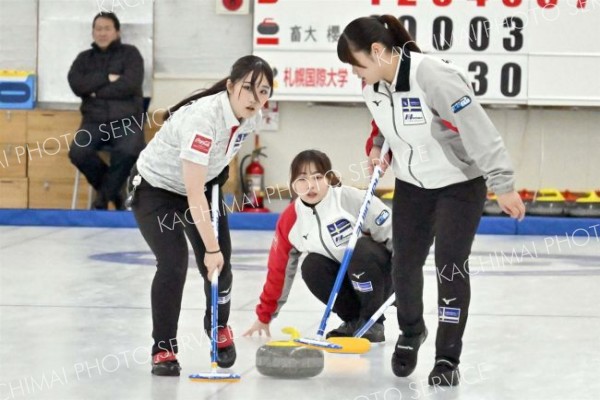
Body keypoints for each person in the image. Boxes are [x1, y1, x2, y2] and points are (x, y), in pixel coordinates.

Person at [337, 15, 526, 386]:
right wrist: (378, 150)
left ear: (377, 52)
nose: (355, 74)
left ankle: (446, 358)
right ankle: (411, 332)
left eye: (357, 65)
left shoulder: (434, 77)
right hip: (412, 187)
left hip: (459, 185)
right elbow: (383, 126)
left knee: (449, 265)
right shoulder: (374, 88)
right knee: (404, 265)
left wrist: (502, 183)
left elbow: (478, 129)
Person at [129, 55, 273, 376]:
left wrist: (218, 178)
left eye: (263, 91)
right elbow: (192, 193)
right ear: (231, 86)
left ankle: (218, 326)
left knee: (223, 263)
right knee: (174, 262)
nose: (255, 98)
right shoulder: (203, 120)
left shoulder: (250, 117)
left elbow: (215, 166)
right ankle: (163, 349)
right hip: (157, 190)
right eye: (248, 88)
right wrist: (209, 249)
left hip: (202, 185)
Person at [244, 149, 393, 343]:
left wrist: (406, 276)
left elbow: (393, 232)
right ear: (293, 184)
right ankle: (354, 320)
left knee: (360, 250)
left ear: (329, 179)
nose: (311, 186)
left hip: (383, 279)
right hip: (348, 283)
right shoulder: (291, 220)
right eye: (302, 179)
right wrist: (264, 317)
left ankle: (372, 322)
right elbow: (278, 270)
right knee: (312, 266)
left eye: (317, 177)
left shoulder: (349, 199)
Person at [68, 12, 145, 210]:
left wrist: (94, 91)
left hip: (126, 119)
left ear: (117, 32)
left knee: (129, 151)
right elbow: (77, 85)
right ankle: (115, 193)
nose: (102, 33)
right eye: (98, 29)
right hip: (94, 121)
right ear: (93, 32)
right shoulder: (84, 59)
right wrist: (106, 77)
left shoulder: (131, 54)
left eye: (107, 28)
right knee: (78, 152)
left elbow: (130, 84)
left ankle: (102, 200)